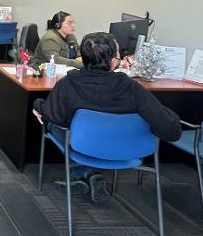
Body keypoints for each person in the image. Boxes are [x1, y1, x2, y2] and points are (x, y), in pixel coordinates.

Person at [34, 32, 181, 202]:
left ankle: (85, 170)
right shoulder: (132, 88)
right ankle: (86, 172)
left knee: (53, 125)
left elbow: (53, 115)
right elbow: (171, 130)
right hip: (125, 151)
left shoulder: (68, 84)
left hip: (83, 147)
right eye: (118, 55)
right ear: (112, 62)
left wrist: (38, 105)